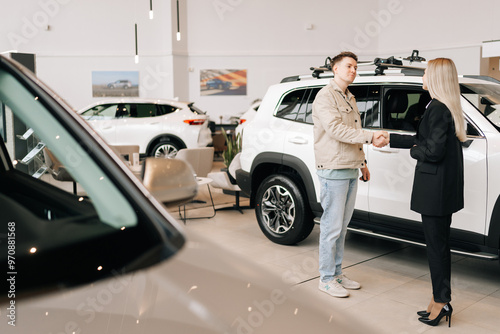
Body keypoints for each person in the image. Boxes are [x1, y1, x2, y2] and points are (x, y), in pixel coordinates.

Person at [379, 58, 466, 326]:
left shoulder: (439, 108)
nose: (423, 77)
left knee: (436, 249)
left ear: (437, 78)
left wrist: (415, 152)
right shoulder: (442, 106)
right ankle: (438, 298)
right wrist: (391, 138)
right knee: (438, 247)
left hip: (435, 191)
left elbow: (431, 150)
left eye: (427, 73)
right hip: (440, 189)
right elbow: (424, 139)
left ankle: (441, 302)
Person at [312, 51, 387, 298]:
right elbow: (336, 130)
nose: (353, 70)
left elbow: (351, 131)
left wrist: (362, 163)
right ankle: (325, 278)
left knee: (342, 227)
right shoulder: (325, 96)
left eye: (355, 67)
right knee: (331, 227)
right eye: (348, 66)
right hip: (333, 169)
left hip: (350, 167)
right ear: (335, 68)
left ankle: (336, 273)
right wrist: (371, 136)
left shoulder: (349, 97)